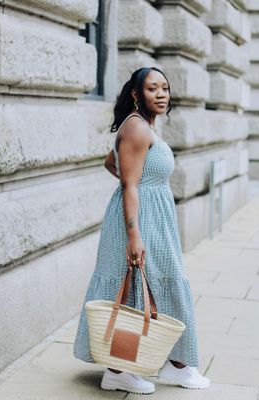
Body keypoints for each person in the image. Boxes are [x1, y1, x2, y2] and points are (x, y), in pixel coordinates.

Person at [73, 67, 210, 394]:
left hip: (154, 217)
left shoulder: (141, 126)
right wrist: (134, 235)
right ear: (136, 94)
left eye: (165, 88)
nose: (161, 94)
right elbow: (129, 184)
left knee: (158, 287)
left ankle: (173, 364)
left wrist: (140, 185)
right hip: (139, 221)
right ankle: (119, 370)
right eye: (152, 88)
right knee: (137, 288)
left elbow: (113, 163)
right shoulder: (137, 128)